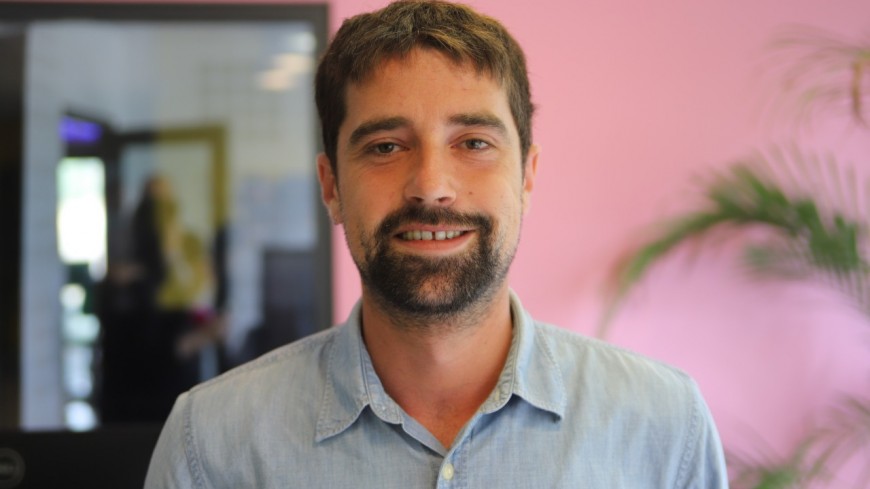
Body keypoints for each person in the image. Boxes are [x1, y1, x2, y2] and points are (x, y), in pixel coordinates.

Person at [144, 1, 729, 487]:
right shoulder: (212, 444)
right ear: (331, 187)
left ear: (526, 177)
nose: (431, 185)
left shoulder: (664, 427)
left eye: (473, 143)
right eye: (385, 147)